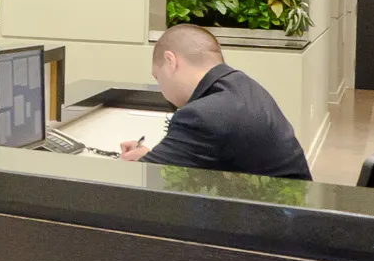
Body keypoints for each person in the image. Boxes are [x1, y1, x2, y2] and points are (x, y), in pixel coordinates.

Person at [118, 25, 311, 180]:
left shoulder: (201, 115)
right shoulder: (242, 85)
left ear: (171, 61)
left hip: (269, 220)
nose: (161, 89)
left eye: (157, 77)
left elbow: (148, 182)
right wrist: (151, 154)